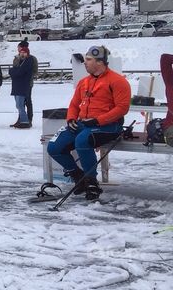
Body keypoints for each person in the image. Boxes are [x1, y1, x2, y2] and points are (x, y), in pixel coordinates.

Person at [46, 46, 131, 201]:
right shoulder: (84, 82)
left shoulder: (118, 81)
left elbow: (122, 108)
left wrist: (98, 120)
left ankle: (91, 182)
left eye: (89, 60)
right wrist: (71, 118)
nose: (85, 63)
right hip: (83, 123)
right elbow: (74, 104)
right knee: (53, 146)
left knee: (82, 140)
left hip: (108, 126)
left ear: (100, 62)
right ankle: (78, 176)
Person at [9, 42, 35, 129]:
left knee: (23, 103)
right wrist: (14, 71)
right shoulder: (18, 59)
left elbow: (20, 72)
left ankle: (26, 121)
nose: (21, 53)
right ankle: (21, 120)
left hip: (25, 84)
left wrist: (15, 72)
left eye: (24, 52)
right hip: (16, 84)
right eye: (21, 52)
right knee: (18, 104)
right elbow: (12, 71)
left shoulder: (30, 60)